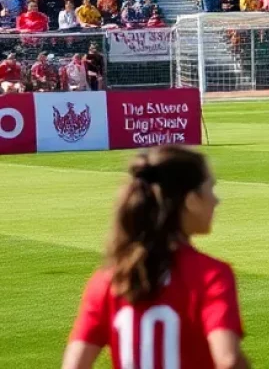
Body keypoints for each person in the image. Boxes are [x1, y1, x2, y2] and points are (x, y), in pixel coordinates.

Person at [62, 146, 248, 369]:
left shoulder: (109, 280)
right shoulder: (210, 276)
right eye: (210, 189)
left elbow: (74, 365)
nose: (216, 200)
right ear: (191, 200)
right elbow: (228, 360)